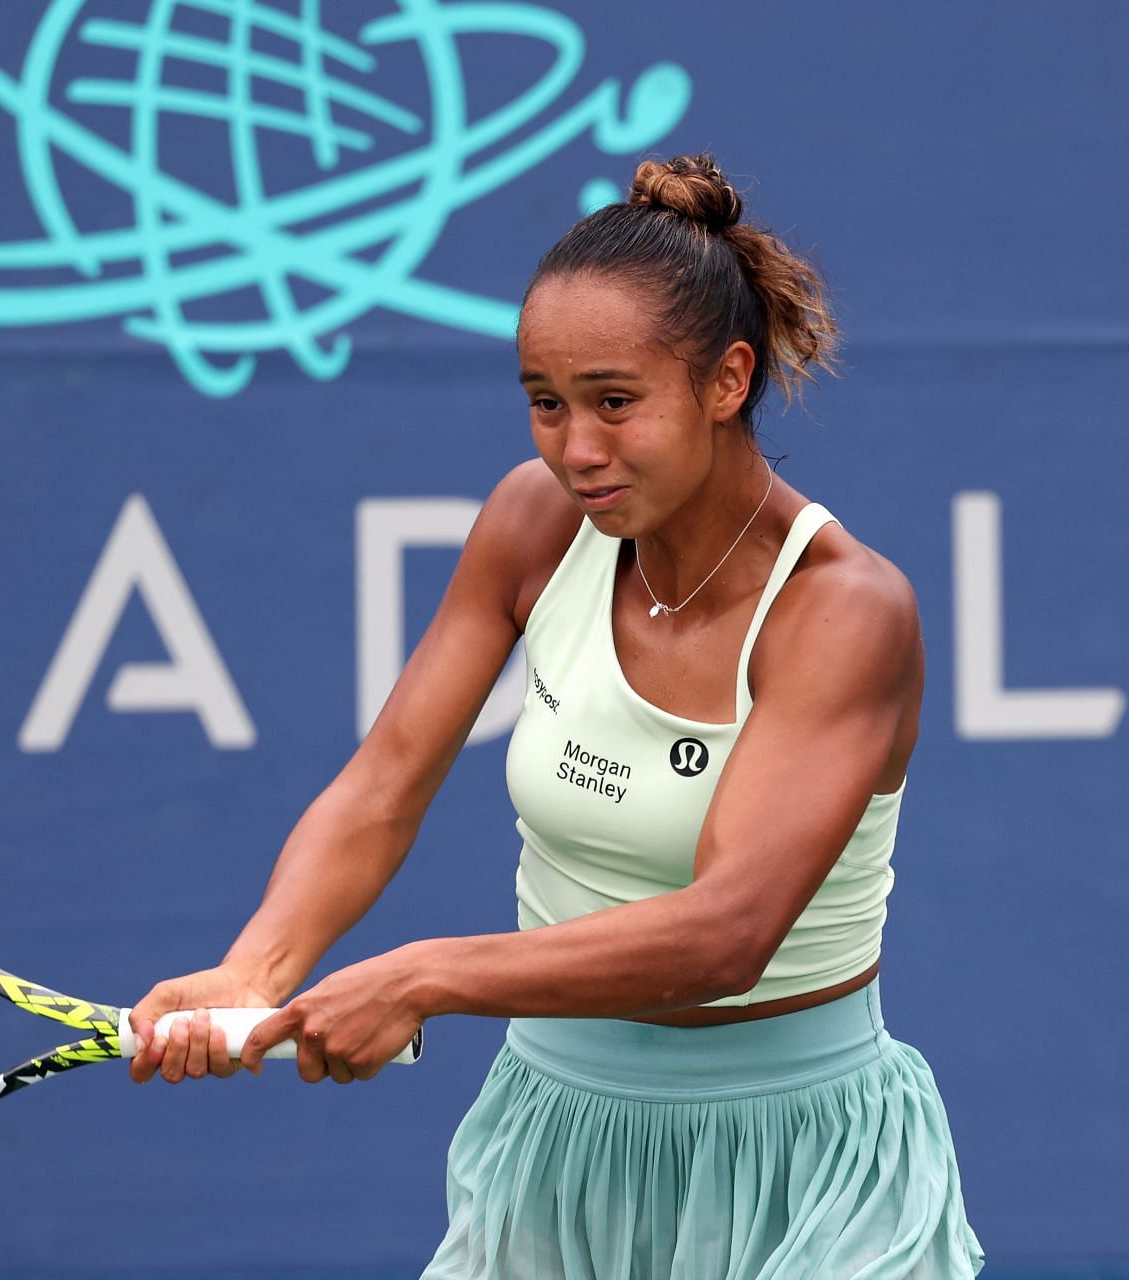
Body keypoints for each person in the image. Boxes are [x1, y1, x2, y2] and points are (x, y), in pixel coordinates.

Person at [126, 153, 985, 1279]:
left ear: (727, 381)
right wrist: (257, 964)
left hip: (807, 1172)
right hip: (557, 1147)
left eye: (615, 401)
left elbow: (726, 931)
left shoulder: (843, 610)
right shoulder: (535, 523)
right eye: (546, 403)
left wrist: (422, 975)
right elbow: (385, 783)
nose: (575, 449)